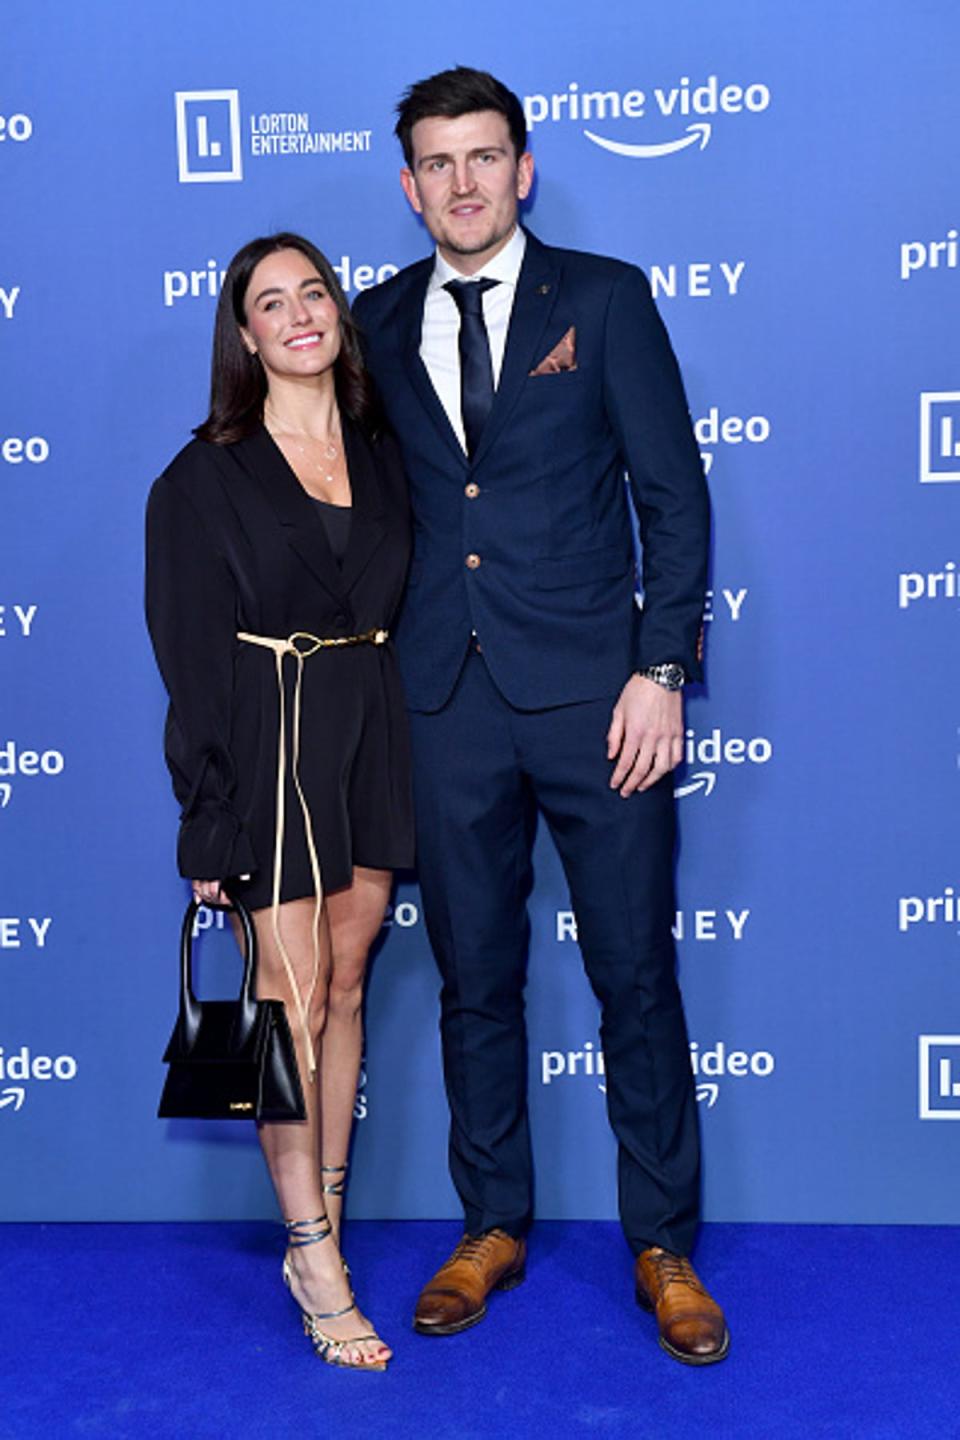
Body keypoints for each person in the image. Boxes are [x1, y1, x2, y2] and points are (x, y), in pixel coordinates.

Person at [352, 67, 728, 1364]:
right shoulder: (374, 320)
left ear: (523, 167)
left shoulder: (609, 300)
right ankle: (491, 1224)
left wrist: (662, 671)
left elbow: (673, 501)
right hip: (441, 703)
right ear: (409, 186)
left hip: (599, 702)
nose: (462, 182)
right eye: (437, 164)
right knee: (475, 981)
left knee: (634, 974)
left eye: (483, 157)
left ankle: (663, 1244)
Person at [146, 232, 413, 1371]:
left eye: (315, 292)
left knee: (347, 986)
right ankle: (310, 1252)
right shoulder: (201, 474)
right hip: (270, 735)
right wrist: (205, 817)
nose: (301, 313)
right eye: (272, 301)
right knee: (287, 1002)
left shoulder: (384, 445)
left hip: (369, 723)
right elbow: (191, 655)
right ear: (243, 334)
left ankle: (331, 1222)